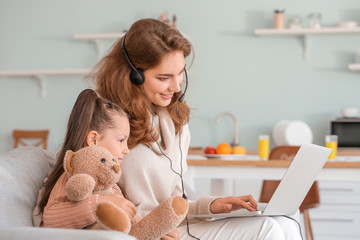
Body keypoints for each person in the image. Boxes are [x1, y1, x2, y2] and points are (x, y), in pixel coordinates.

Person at [93, 18, 302, 240]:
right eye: (164, 78)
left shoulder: (174, 120)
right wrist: (139, 223)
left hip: (175, 227)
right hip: (140, 232)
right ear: (133, 75)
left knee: (284, 222)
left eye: (180, 73)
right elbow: (80, 192)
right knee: (267, 229)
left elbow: (175, 204)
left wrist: (211, 205)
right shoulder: (104, 119)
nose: (176, 87)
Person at [36, 89, 137, 229]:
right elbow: (50, 220)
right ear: (93, 139)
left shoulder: (111, 185)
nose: (127, 150)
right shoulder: (71, 176)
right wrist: (99, 203)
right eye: (121, 140)